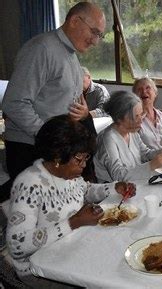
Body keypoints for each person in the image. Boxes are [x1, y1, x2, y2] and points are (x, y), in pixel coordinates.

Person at [6, 115, 135, 287]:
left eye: (86, 158)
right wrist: (74, 222)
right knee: (107, 277)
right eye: (79, 159)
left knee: (122, 255)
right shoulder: (30, 185)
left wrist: (114, 188)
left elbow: (86, 190)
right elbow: (17, 245)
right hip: (40, 270)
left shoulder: (70, 175)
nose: (83, 165)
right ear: (58, 157)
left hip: (71, 247)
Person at [1, 2, 106, 201]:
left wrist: (83, 112)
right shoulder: (42, 48)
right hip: (31, 148)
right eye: (94, 32)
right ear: (75, 21)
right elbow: (14, 102)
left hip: (56, 147)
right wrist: (49, 137)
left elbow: (63, 99)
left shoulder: (71, 55)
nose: (95, 41)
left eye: (99, 35)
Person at [94, 91, 162, 183]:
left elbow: (145, 154)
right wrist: (151, 165)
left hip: (136, 183)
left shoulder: (131, 132)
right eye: (135, 117)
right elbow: (117, 176)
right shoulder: (108, 139)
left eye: (141, 114)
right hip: (114, 192)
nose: (141, 120)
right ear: (119, 118)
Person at [132, 77, 162, 149]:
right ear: (134, 96)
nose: (144, 91)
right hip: (148, 160)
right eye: (139, 89)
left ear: (155, 93)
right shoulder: (133, 120)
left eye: (148, 88)